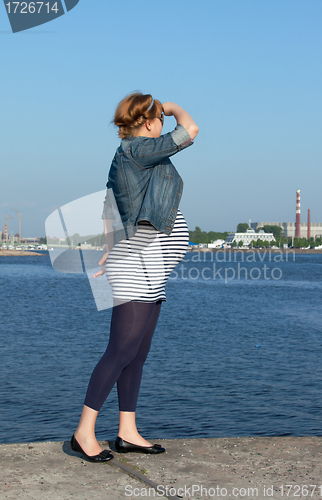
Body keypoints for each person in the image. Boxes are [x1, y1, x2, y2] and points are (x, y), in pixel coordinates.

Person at [70, 92, 199, 462]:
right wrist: (171, 107)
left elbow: (111, 204)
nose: (164, 121)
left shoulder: (136, 154)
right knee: (120, 350)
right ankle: (83, 432)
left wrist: (110, 245)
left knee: (137, 355)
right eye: (159, 117)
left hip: (149, 265)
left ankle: (127, 431)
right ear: (148, 120)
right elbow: (189, 130)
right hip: (137, 264)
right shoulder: (138, 150)